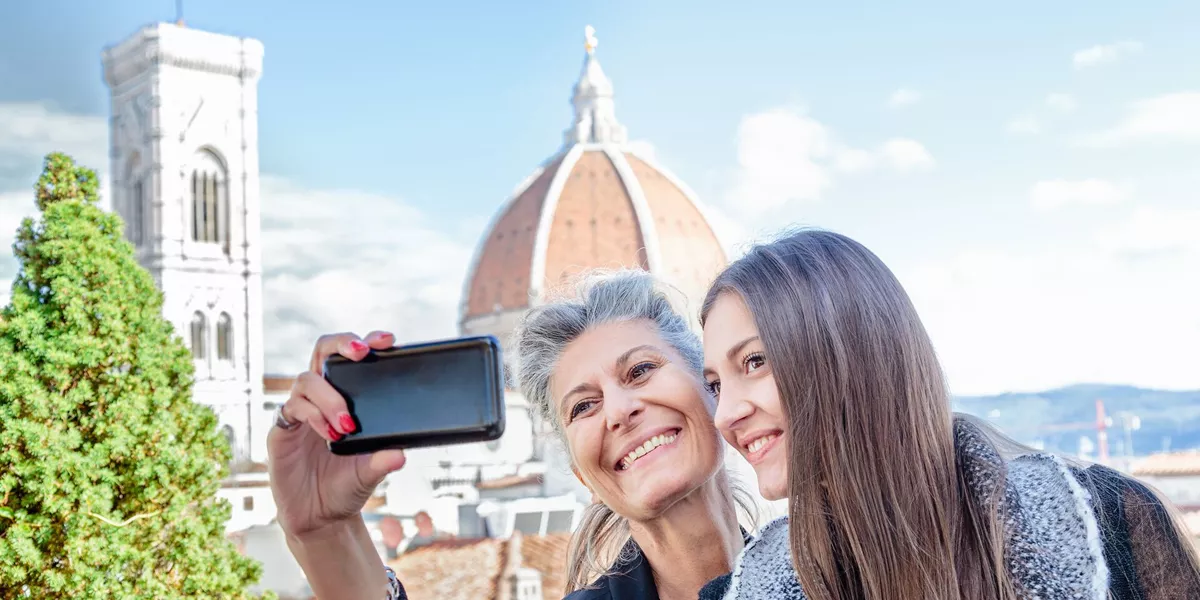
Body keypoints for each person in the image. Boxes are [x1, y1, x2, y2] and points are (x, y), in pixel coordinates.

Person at [698, 228, 1200, 600]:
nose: (725, 415)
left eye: (755, 362)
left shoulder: (1114, 519)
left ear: (852, 355)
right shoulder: (740, 591)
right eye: (716, 385)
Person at [266, 270, 755, 600]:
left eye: (642, 370)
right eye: (583, 406)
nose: (619, 411)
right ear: (580, 473)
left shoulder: (825, 568)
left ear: (714, 389)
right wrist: (325, 536)